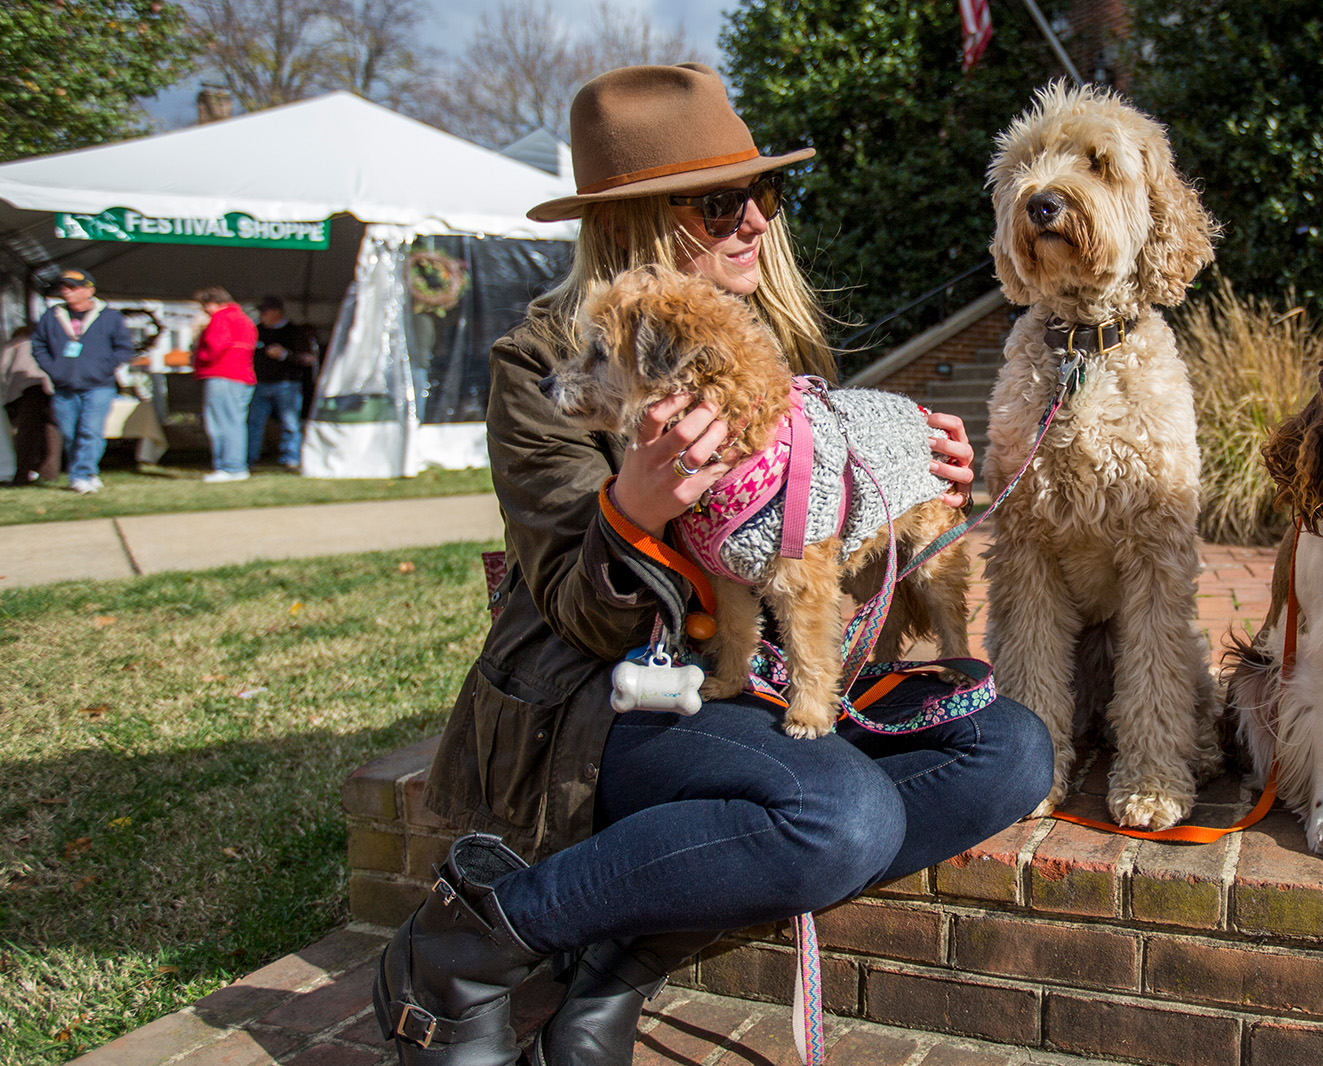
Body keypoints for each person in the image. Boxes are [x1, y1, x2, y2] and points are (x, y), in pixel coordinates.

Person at [372, 64, 1053, 1066]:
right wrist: (634, 508)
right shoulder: (542, 366)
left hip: (761, 681)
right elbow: (572, 605)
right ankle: (472, 940)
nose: (755, 223)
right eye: (722, 202)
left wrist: (896, 482)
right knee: (836, 818)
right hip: (612, 699)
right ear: (637, 223)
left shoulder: (764, 350)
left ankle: (623, 955)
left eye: (763, 195)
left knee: (1010, 751)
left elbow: (818, 579)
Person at [29, 269, 134, 494]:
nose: (66, 292)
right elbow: (38, 345)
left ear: (89, 290)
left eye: (73, 287)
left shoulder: (109, 317)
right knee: (70, 432)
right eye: (64, 287)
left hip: (99, 386)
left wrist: (103, 368)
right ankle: (87, 471)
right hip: (64, 385)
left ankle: (81, 474)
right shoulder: (52, 315)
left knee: (91, 430)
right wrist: (54, 369)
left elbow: (124, 348)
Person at [190, 286, 257, 482]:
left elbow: (214, 347)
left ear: (211, 304)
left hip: (222, 374)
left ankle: (228, 466)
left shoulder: (221, 318)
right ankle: (236, 465)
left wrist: (198, 356)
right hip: (243, 376)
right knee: (235, 422)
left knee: (220, 423)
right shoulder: (245, 319)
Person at [248, 296, 319, 469]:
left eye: (265, 312)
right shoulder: (256, 331)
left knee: (290, 423)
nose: (262, 316)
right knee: (254, 422)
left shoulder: (296, 332)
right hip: (260, 383)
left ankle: (291, 457)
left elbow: (308, 359)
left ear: (276, 312)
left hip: (287, 384)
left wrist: (285, 355)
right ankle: (250, 457)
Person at [3, 324, 60, 485]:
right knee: (52, 430)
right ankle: (49, 472)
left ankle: (22, 473)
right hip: (51, 387)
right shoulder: (50, 342)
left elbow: (3, 366)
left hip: (26, 389)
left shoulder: (15, 344)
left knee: (27, 432)